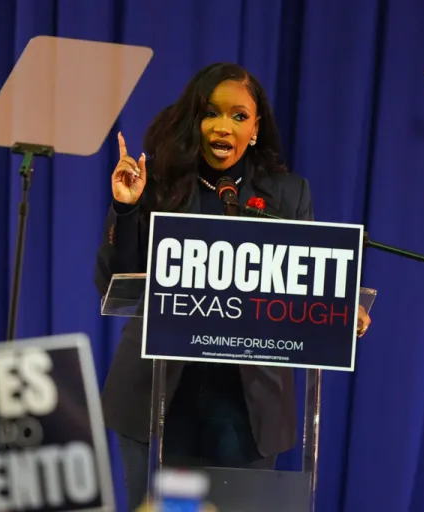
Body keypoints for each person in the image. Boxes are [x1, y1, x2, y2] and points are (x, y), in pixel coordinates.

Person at [94, 62, 372, 511]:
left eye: (239, 116)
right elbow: (114, 283)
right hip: (158, 398)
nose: (224, 126)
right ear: (195, 120)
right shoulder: (159, 185)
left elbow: (304, 283)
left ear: (256, 128)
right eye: (211, 113)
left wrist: (340, 311)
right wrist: (126, 209)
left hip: (247, 408)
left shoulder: (288, 195)